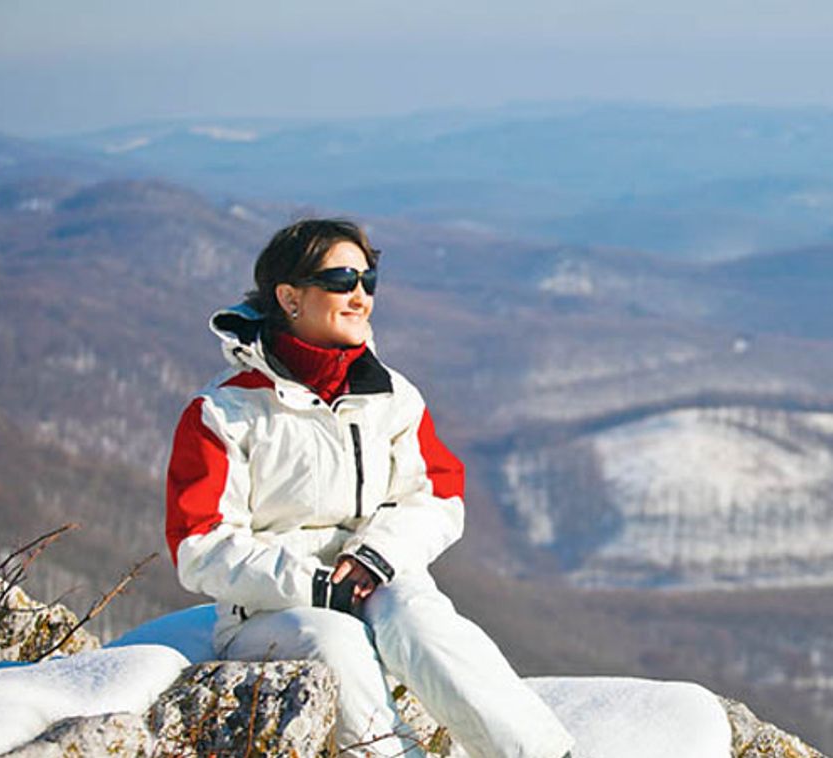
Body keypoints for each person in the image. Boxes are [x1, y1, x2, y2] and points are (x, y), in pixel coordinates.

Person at [164, 218, 574, 757]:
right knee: (336, 645)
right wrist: (315, 586)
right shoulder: (224, 412)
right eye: (340, 280)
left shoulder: (390, 396)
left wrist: (376, 556)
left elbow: (437, 495)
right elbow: (201, 545)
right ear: (289, 296)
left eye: (367, 280)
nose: (360, 295)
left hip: (375, 577)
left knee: (424, 625)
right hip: (267, 613)